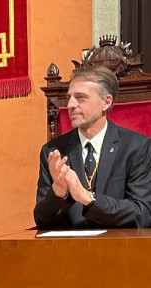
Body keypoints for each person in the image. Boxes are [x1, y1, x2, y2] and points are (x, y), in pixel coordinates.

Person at [34, 66, 151, 229]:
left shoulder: (137, 147)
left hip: (120, 248)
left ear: (106, 102)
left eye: (80, 97)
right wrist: (58, 193)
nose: (70, 105)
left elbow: (142, 214)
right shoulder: (53, 151)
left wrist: (89, 198)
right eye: (69, 98)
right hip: (67, 251)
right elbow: (41, 220)